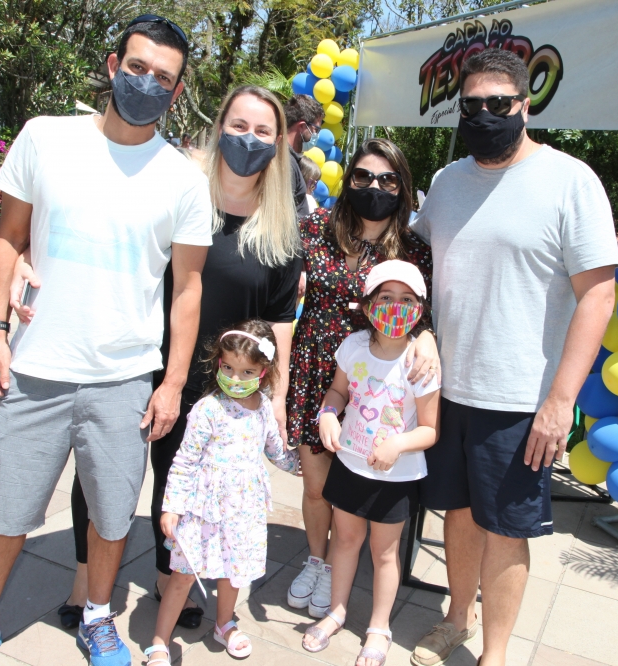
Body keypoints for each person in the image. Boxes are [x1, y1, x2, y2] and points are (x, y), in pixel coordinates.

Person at [0, 14, 214, 666]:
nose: (147, 83)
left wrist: (172, 382)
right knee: (7, 509)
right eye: (137, 68)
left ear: (176, 92)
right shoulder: (45, 138)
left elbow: (188, 290)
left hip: (124, 379)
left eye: (163, 78)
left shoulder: (183, 180)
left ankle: (97, 617)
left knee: (112, 516)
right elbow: (9, 238)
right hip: (36, 368)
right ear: (114, 66)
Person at [10, 83, 302, 636]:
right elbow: (98, 231)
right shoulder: (177, 190)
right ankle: (83, 578)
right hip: (138, 363)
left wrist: (278, 396)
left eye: (263, 131)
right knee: (100, 477)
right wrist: (23, 254)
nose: (249, 139)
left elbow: (280, 321)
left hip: (219, 389)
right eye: (238, 126)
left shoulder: (282, 229)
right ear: (219, 128)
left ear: (278, 143)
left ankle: (174, 579)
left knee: (182, 484)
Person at [408, 48, 618, 666]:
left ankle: (495, 654)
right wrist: (418, 328)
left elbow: (598, 295)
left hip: (521, 398)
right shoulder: (447, 182)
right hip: (446, 389)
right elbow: (418, 270)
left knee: (505, 528)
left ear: (526, 106)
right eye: (471, 104)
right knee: (458, 513)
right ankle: (457, 618)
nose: (483, 114)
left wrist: (561, 401)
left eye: (498, 104)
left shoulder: (570, 181)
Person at [286, 137, 440, 620]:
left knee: (356, 482)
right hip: (318, 371)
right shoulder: (313, 230)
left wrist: (428, 336)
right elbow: (279, 295)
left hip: (378, 378)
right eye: (363, 176)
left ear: (402, 188)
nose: (374, 187)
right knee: (317, 487)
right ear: (349, 178)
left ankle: (343, 560)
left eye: (388, 180)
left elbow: (425, 309)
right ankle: (318, 561)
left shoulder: (414, 250)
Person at [302, 260, 440, 666]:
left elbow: (430, 429)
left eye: (407, 299)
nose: (396, 306)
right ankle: (336, 612)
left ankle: (379, 627)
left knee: (384, 553)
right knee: (344, 540)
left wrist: (398, 444)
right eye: (386, 297)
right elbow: (338, 392)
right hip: (350, 464)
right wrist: (328, 413)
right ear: (367, 305)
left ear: (420, 308)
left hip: (396, 477)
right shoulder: (353, 346)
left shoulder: (422, 362)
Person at [145, 321, 300, 665]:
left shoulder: (263, 407)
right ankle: (159, 641)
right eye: (228, 368)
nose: (235, 378)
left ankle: (224, 623)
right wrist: (171, 507)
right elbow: (184, 461)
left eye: (247, 372)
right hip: (203, 508)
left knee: (234, 570)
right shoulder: (208, 409)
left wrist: (300, 464)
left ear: (264, 371)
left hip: (243, 508)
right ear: (218, 362)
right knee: (183, 575)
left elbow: (275, 450)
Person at [283, 94, 324, 218]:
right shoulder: (285, 162)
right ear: (301, 126)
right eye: (316, 129)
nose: (316, 135)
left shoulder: (290, 159)